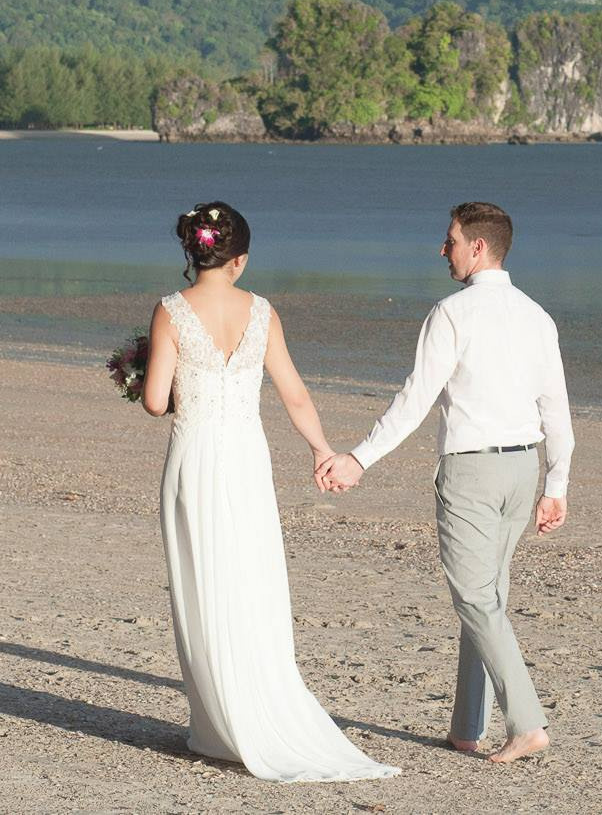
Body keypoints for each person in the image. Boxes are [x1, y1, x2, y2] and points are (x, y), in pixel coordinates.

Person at [140, 201, 397, 783]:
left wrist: (149, 372)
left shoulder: (171, 311)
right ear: (240, 259)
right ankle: (251, 709)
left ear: (192, 252)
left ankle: (216, 724)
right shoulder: (262, 312)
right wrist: (321, 449)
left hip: (196, 456)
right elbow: (295, 394)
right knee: (250, 576)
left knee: (203, 578)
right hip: (246, 459)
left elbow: (156, 401)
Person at [317, 201, 575, 765]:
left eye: (451, 240)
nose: (443, 249)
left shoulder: (452, 312)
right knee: (488, 598)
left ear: (478, 248)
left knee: (478, 598)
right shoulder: (538, 315)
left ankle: (528, 722)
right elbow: (555, 407)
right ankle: (466, 728)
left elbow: (415, 399)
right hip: (522, 466)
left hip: (473, 470)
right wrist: (556, 482)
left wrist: (359, 458)